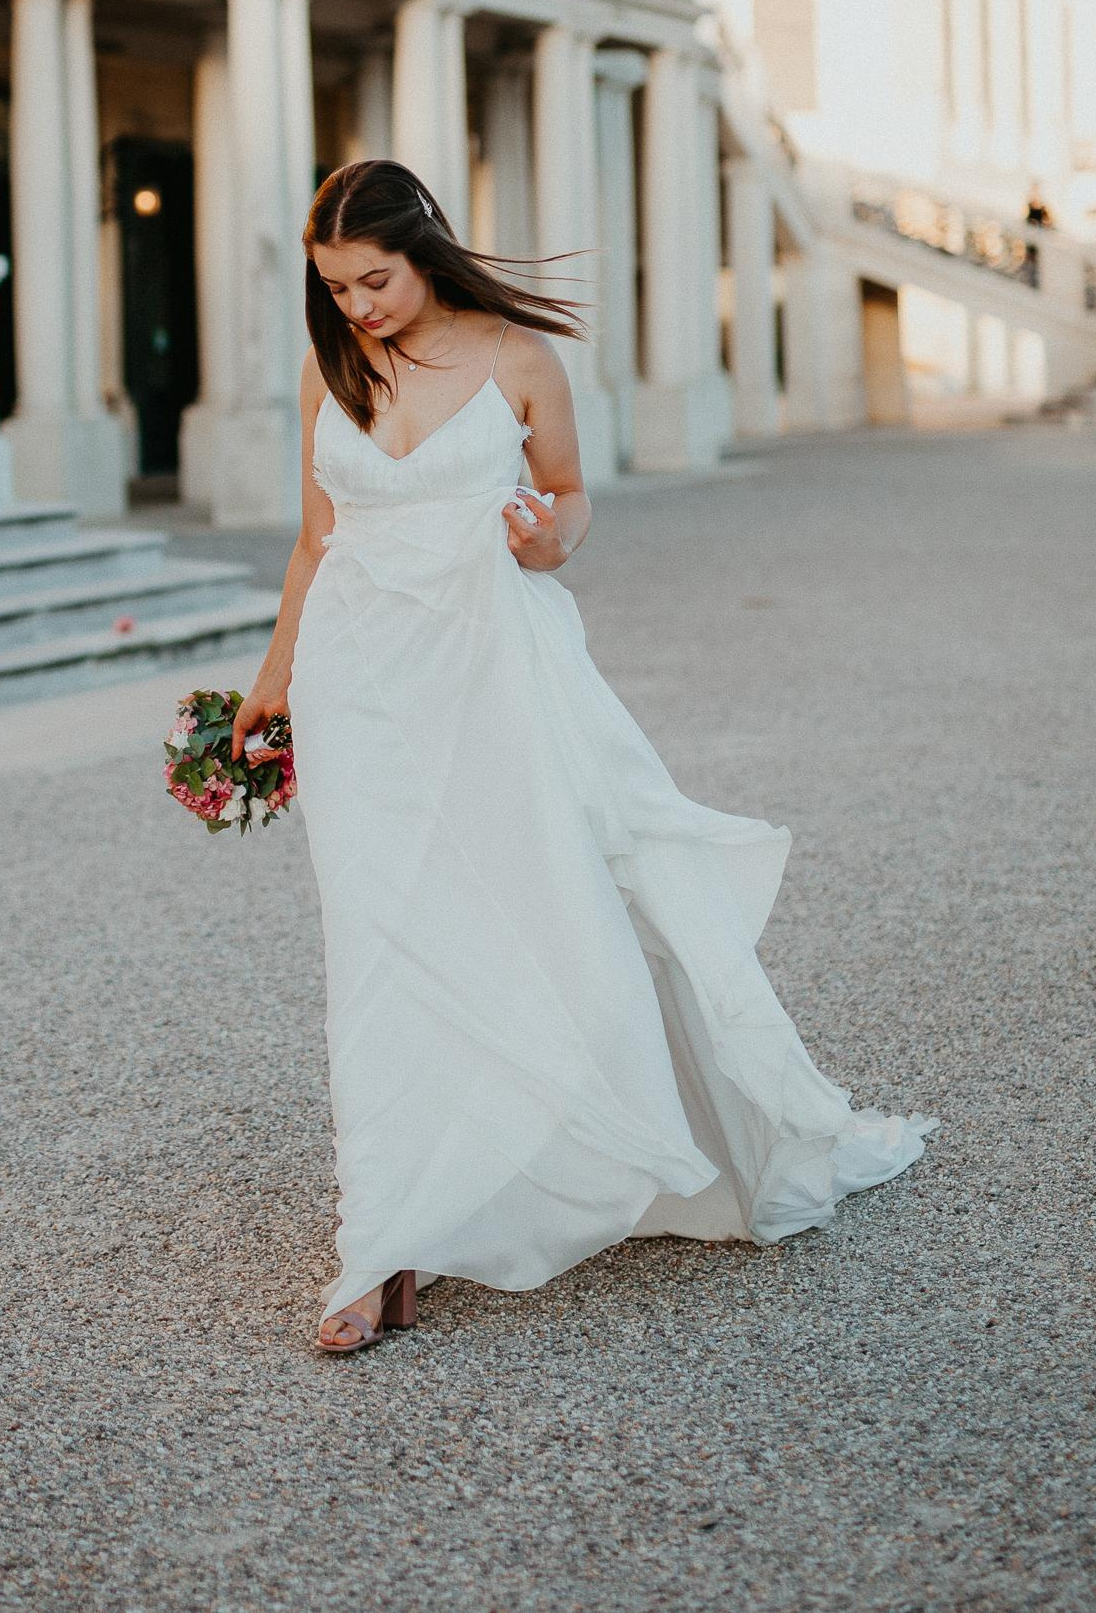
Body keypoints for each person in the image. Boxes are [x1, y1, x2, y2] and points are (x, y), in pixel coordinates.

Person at [232, 158, 935, 1355]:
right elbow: (314, 541)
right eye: (335, 287)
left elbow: (564, 499)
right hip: (360, 684)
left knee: (538, 904)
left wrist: (542, 541)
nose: (356, 306)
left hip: (489, 668)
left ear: (424, 248)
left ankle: (567, 1137)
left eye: (374, 280)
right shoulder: (329, 365)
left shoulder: (515, 359)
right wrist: (271, 678)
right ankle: (384, 1242)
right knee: (378, 942)